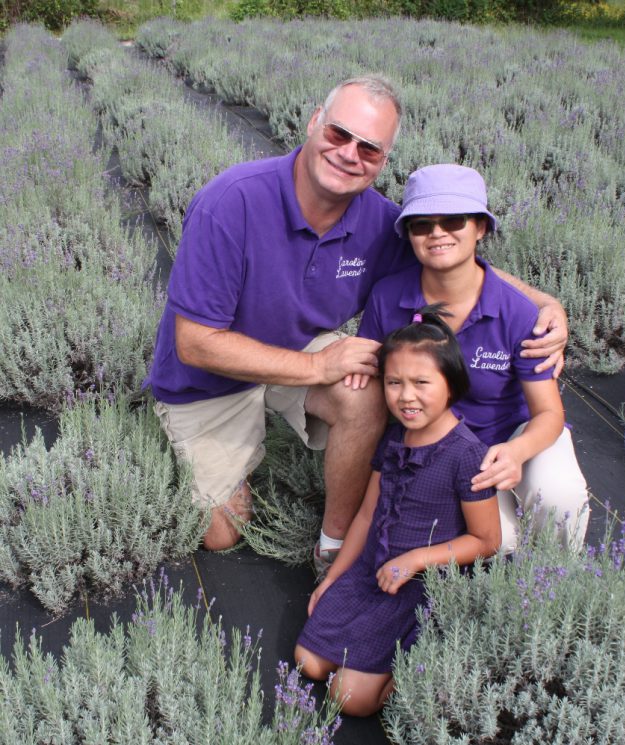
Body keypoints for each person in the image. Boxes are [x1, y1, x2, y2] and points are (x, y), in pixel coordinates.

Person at [146, 74, 568, 559]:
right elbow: (195, 343)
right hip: (208, 378)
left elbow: (454, 258)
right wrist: (317, 368)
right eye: (338, 134)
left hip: (294, 346)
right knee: (222, 533)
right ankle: (210, 450)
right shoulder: (231, 203)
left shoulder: (379, 224)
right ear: (313, 124)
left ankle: (334, 545)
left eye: (369, 148)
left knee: (365, 392)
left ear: (383, 162)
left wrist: (544, 302)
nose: (349, 154)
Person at [358, 164, 589, 551]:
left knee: (559, 499)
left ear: (480, 227)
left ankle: (558, 580)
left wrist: (516, 452)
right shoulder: (388, 297)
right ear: (409, 235)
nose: (437, 234)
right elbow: (372, 385)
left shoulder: (517, 312)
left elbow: (549, 413)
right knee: (491, 542)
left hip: (510, 438)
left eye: (453, 220)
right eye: (421, 225)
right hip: (434, 448)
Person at [294, 306, 500, 716]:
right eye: (394, 383)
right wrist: (334, 576)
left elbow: (486, 541)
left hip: (417, 586)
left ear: (451, 386)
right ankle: (364, 656)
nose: (406, 396)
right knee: (308, 663)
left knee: (347, 699)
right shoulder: (394, 441)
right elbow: (368, 516)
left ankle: (404, 669)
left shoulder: (467, 456)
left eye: (422, 382)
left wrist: (416, 560)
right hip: (371, 573)